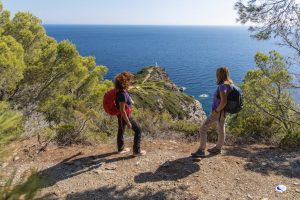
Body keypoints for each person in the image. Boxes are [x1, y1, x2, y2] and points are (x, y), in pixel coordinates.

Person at [192, 67, 233, 157]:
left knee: (203, 129)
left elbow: (224, 101)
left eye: (217, 73)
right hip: (224, 112)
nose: (216, 75)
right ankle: (218, 148)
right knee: (221, 129)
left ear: (220, 75)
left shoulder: (222, 86)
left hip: (218, 112)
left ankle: (201, 150)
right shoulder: (230, 84)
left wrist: (216, 111)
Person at [114, 72, 146, 156]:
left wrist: (134, 87)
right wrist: (128, 122)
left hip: (121, 116)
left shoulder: (120, 91)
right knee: (138, 130)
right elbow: (122, 110)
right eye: (128, 81)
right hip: (125, 116)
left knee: (121, 130)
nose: (130, 82)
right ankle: (136, 151)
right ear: (124, 83)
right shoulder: (122, 94)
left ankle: (121, 149)